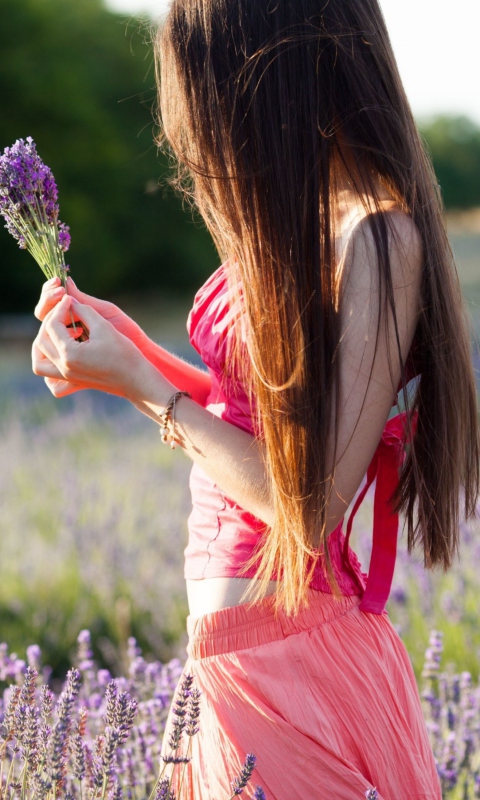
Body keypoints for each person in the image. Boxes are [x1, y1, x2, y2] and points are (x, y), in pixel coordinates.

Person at [32, 0, 479, 797]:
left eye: (210, 93)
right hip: (229, 669)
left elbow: (306, 506)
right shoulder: (303, 229)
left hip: (298, 667)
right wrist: (129, 356)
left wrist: (142, 388)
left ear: (274, 75)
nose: (197, 135)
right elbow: (249, 427)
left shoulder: (376, 238)